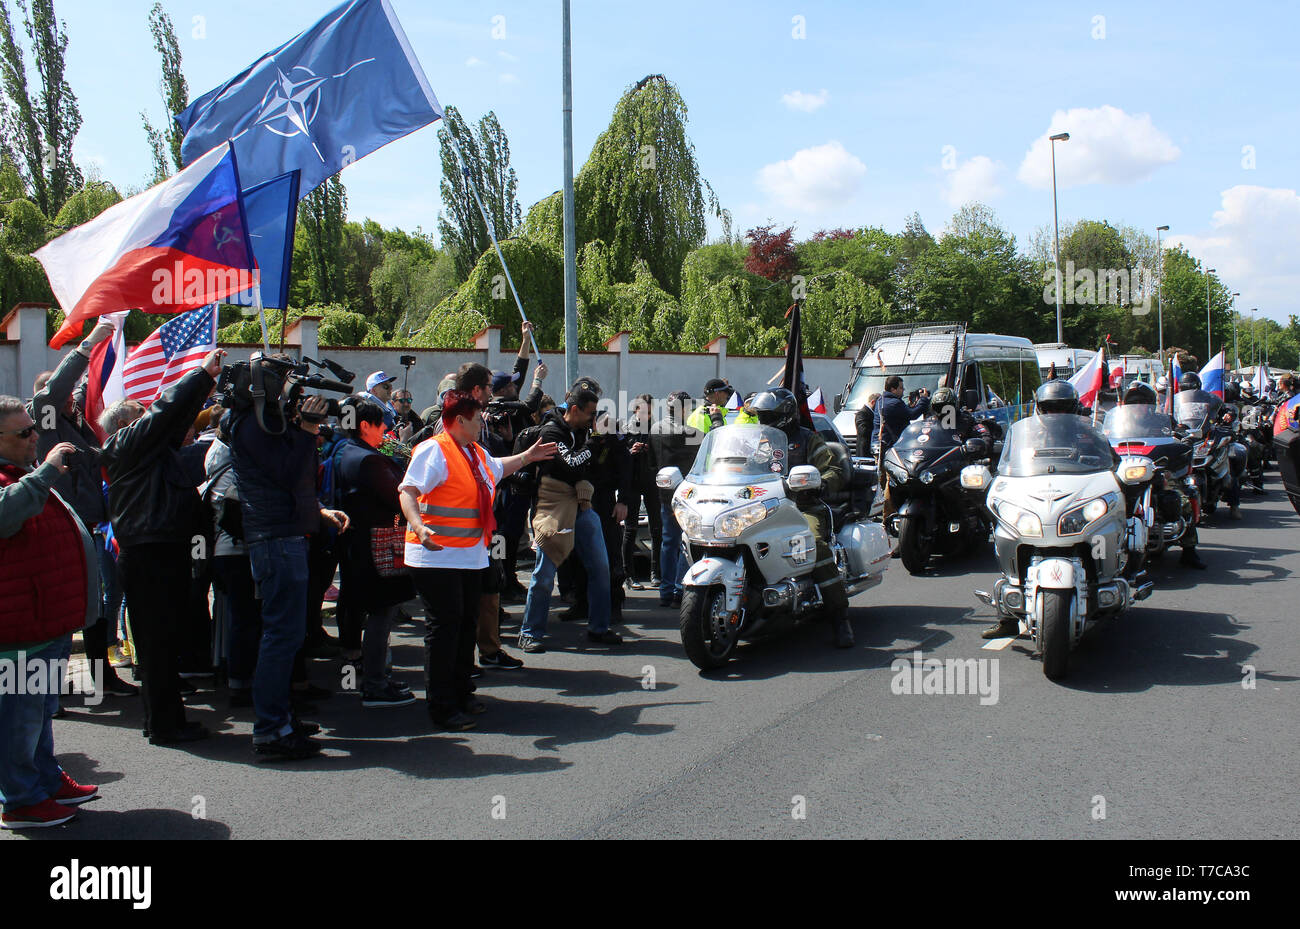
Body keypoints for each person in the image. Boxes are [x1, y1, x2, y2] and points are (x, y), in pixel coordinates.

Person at [399, 391, 556, 730]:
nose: (483, 422)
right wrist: (418, 526)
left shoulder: (473, 452)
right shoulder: (433, 450)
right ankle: (442, 705)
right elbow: (407, 491)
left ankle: (461, 693)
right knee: (444, 628)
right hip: (435, 557)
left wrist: (527, 456)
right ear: (457, 421)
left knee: (465, 625)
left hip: (469, 556)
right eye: (477, 418)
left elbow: (498, 468)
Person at [99, 352, 224, 746]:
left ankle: (167, 720)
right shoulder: (124, 445)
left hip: (162, 551)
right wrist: (201, 375)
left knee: (166, 642)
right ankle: (164, 726)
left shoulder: (149, 452)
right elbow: (164, 413)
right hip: (148, 555)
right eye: (140, 415)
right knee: (156, 645)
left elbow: (174, 420)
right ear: (123, 425)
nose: (149, 421)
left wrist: (207, 387)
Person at [229, 357, 350, 760]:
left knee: (288, 635)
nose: (290, 390)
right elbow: (286, 469)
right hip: (275, 538)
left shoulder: (265, 423)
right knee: (281, 637)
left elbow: (290, 477)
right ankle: (270, 730)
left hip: (284, 534)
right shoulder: (252, 425)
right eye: (282, 381)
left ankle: (280, 718)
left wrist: (316, 510)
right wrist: (308, 429)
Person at [0, 397, 101, 829]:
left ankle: (42, 779)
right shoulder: (22, 478)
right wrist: (45, 472)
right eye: (24, 432)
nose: (35, 435)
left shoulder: (22, 473)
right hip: (18, 629)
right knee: (17, 722)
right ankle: (21, 801)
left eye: (31, 428)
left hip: (44, 621)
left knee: (38, 713)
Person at [27, 320, 137, 697]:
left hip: (88, 525)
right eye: (64, 394)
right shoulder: (44, 419)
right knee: (59, 607)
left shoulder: (78, 429)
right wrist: (90, 344)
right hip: (57, 526)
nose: (72, 396)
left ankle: (100, 678)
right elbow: (53, 392)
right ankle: (50, 693)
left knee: (90, 604)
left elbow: (98, 459)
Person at [517, 389, 623, 652]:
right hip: (553, 506)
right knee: (544, 573)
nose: (592, 419)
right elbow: (573, 465)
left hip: (583, 505)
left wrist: (602, 444)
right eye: (589, 414)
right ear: (574, 410)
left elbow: (594, 468)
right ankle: (530, 632)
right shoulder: (551, 433)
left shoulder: (584, 431)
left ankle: (598, 628)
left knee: (600, 568)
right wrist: (595, 441)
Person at [750, 389, 854, 649]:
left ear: (784, 415)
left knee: (813, 545)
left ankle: (840, 617)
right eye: (761, 416)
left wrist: (820, 484)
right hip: (765, 507)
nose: (762, 421)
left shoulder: (808, 439)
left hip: (803, 507)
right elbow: (742, 467)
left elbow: (833, 470)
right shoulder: (760, 443)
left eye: (767, 415)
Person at [335, 398, 418, 707]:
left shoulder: (347, 452)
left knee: (369, 610)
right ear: (365, 425)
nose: (386, 428)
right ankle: (374, 682)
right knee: (381, 612)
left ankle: (372, 676)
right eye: (381, 423)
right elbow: (399, 496)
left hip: (358, 543)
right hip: (376, 544)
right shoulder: (368, 460)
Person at [651, 391, 700, 608]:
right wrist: (716, 419)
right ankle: (679, 589)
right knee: (684, 542)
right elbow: (713, 443)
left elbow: (651, 462)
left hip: (664, 493)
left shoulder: (654, 429)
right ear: (681, 408)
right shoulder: (688, 433)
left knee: (668, 542)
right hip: (685, 495)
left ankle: (666, 590)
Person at [623, 394, 662, 590]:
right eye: (642, 410)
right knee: (630, 528)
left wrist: (649, 450)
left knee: (657, 528)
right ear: (635, 410)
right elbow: (619, 456)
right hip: (631, 482)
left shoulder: (655, 429)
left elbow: (661, 456)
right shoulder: (625, 429)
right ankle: (628, 575)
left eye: (649, 410)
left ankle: (656, 572)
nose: (646, 414)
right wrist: (631, 450)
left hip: (650, 481)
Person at [854, 394, 879, 458]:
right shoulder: (862, 413)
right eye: (879, 404)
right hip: (865, 452)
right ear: (873, 402)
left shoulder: (872, 413)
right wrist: (877, 432)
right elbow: (863, 431)